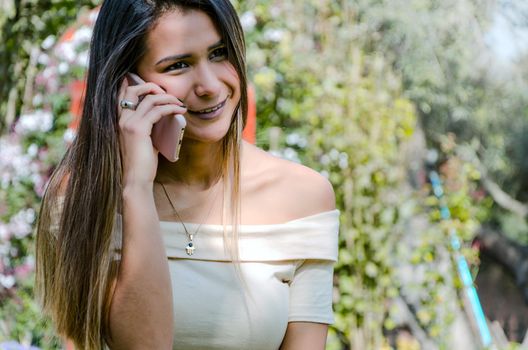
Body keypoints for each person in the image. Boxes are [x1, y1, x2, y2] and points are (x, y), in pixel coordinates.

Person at [35, 0, 339, 349]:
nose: (209, 85)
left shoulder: (302, 197)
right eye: (178, 65)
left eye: (219, 53)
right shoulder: (81, 197)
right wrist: (136, 187)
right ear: (127, 84)